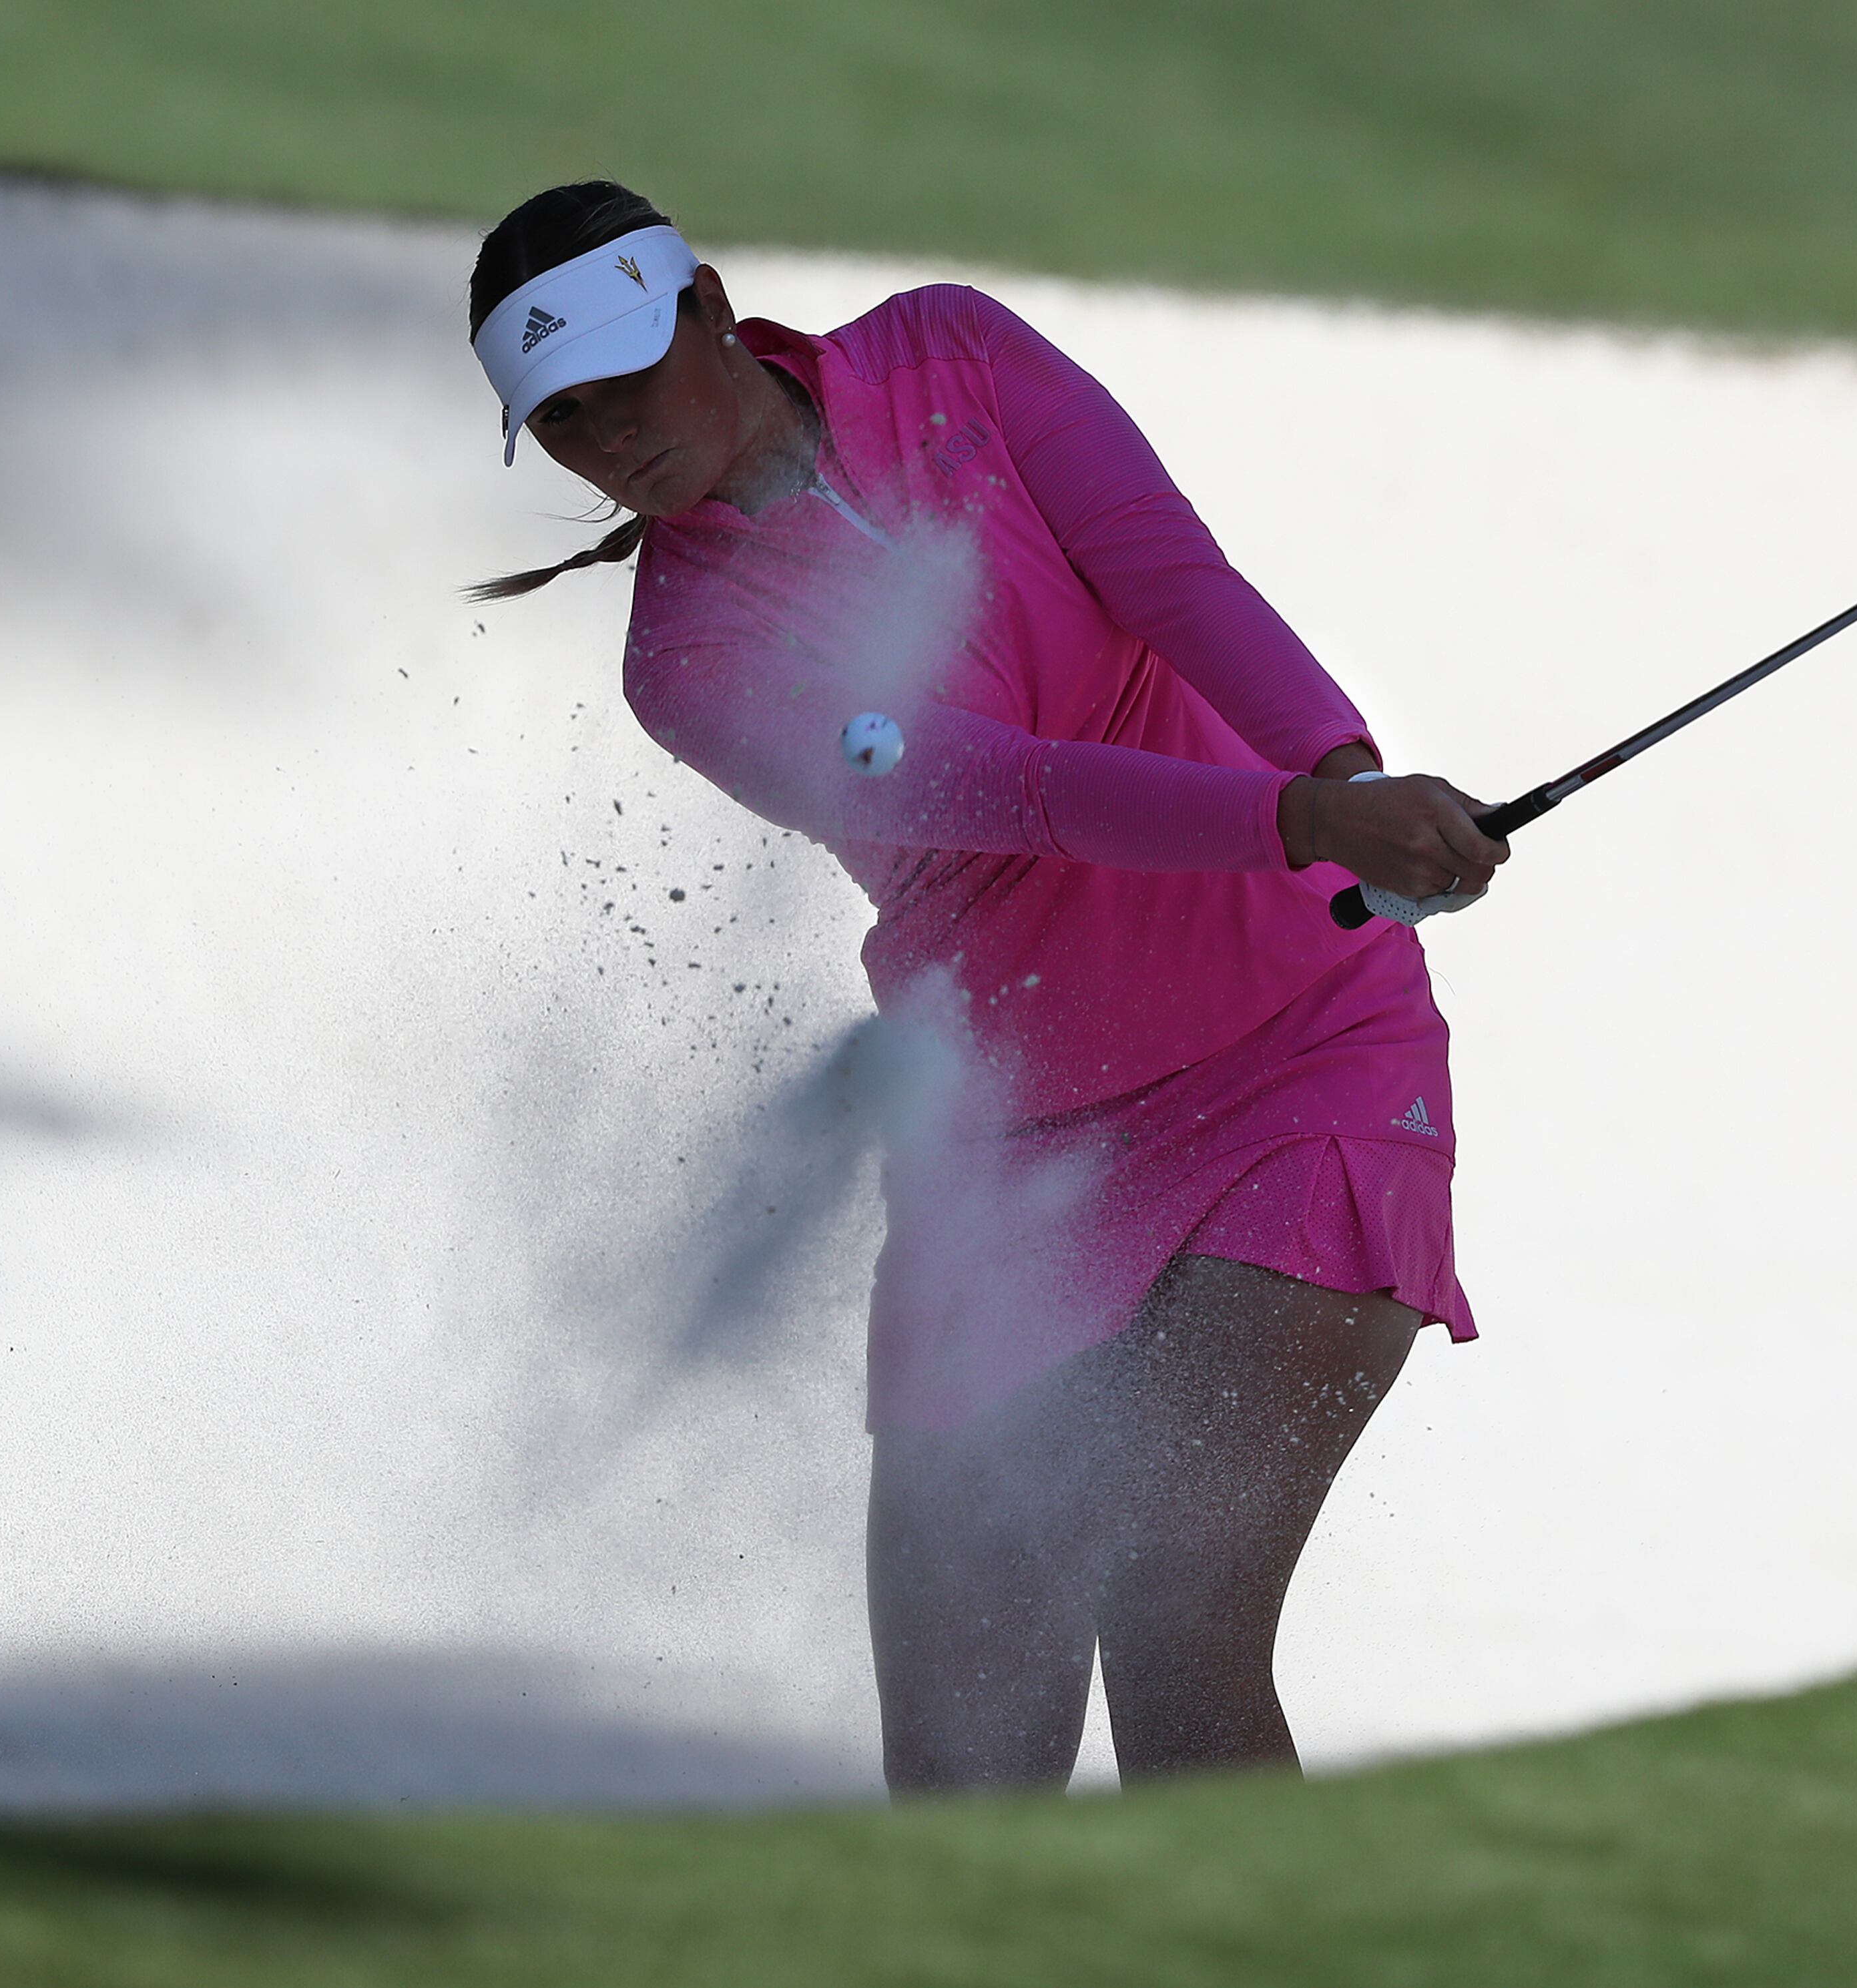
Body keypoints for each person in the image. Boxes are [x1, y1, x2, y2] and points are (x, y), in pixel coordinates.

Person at [467, 182, 1510, 1792]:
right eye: (568, 419)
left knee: (1179, 1618)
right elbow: (1006, 789)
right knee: (963, 1776)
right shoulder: (685, 659)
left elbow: (1178, 585)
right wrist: (1304, 817)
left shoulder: (953, 352)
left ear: (711, 305)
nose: (613, 436)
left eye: (625, 377)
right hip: (1008, 1159)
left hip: (1297, 1051)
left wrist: (1345, 772)